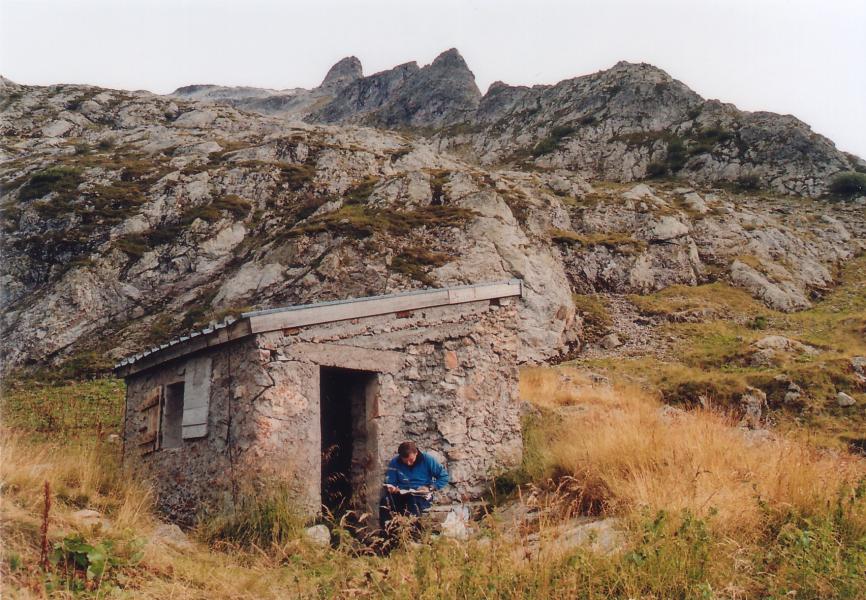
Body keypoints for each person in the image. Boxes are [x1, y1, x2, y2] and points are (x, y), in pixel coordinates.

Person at [379, 441, 448, 529]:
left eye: (411, 460)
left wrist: (430, 487)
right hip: (401, 493)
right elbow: (391, 481)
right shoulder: (395, 462)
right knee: (385, 501)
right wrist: (393, 488)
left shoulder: (427, 459)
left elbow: (444, 477)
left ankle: (413, 536)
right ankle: (388, 535)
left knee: (413, 503)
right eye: (405, 461)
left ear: (416, 453)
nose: (408, 463)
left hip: (420, 495)